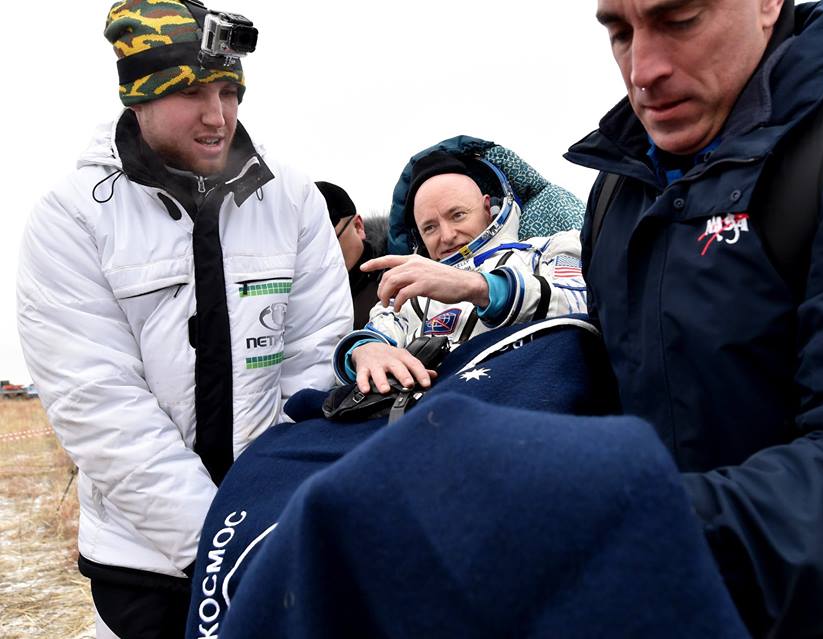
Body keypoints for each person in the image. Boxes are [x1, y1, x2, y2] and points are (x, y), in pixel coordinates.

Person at [565, 0, 823, 636]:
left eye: (680, 19)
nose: (643, 69)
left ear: (769, 4)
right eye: (619, 32)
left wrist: (614, 539)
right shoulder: (617, 193)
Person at [16, 2, 351, 637]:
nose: (217, 115)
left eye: (229, 90)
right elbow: (100, 405)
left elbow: (313, 359)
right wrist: (217, 544)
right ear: (136, 97)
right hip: (146, 563)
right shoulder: (72, 218)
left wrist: (272, 514)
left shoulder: (293, 197)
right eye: (190, 91)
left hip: (275, 534)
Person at [333, 150, 587, 395]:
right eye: (430, 227)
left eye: (457, 215)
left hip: (532, 393)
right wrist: (365, 351)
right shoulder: (410, 290)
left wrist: (480, 288)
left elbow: (585, 303)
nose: (447, 235)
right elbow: (377, 331)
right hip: (430, 413)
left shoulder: (551, 248)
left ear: (488, 207)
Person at [316, 181, 385, 330]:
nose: (318, 256)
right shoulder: (299, 298)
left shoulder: (395, 282)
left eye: (330, 242)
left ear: (358, 227)